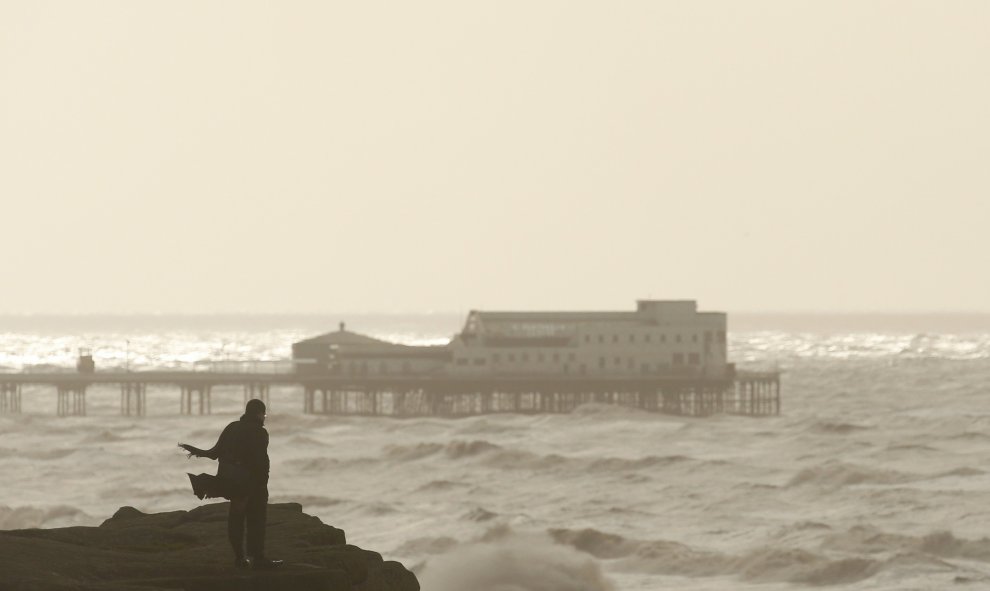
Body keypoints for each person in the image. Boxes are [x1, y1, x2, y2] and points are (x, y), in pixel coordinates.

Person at [178, 399, 282, 570]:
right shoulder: (260, 432)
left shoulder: (232, 427)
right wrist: (262, 484)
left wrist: (196, 451)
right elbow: (261, 462)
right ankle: (257, 558)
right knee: (256, 519)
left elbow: (213, 454)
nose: (264, 418)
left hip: (228, 481)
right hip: (248, 483)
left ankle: (239, 558)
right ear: (258, 414)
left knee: (236, 518)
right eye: (264, 415)